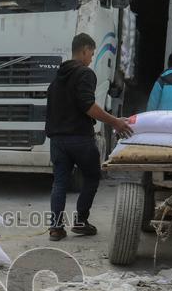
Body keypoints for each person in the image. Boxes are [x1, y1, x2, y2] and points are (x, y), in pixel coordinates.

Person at [45, 33, 133, 241]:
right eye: (92, 54)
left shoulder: (57, 78)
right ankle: (81, 221)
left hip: (57, 140)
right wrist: (115, 122)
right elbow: (88, 106)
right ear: (84, 50)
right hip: (79, 139)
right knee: (92, 176)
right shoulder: (85, 73)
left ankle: (56, 228)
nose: (92, 58)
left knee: (60, 182)